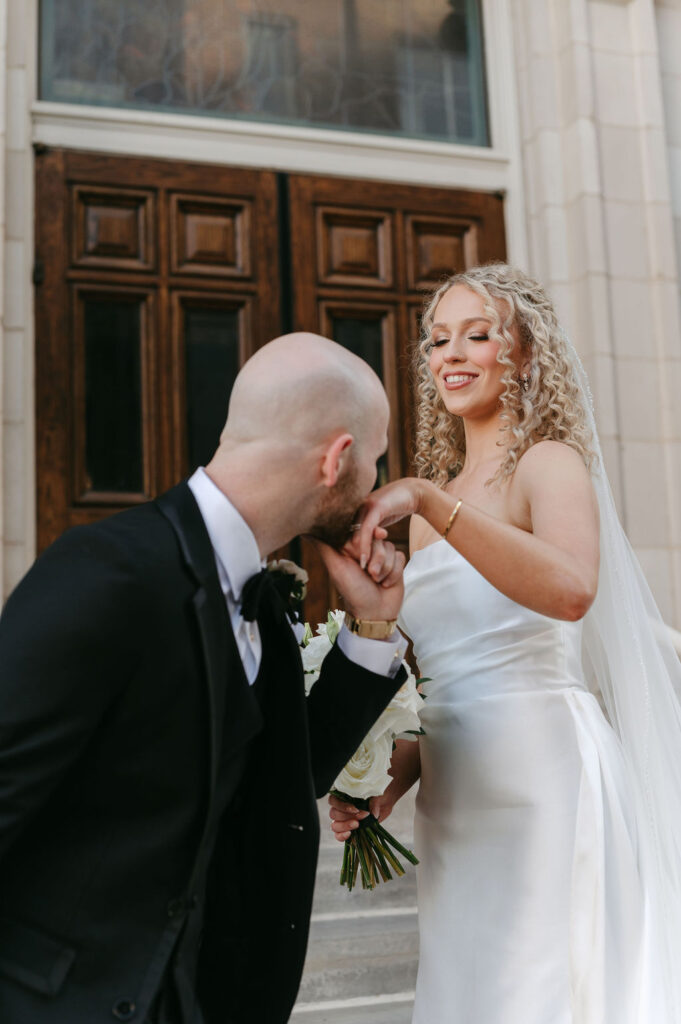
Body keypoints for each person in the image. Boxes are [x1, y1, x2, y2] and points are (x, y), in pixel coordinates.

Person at [0, 332, 410, 1024]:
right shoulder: (108, 571)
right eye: (374, 461)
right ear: (337, 459)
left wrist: (370, 628)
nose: (373, 484)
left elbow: (286, 774)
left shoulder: (261, 604)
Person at [329, 264, 681, 1022]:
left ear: (520, 353)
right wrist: (381, 783)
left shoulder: (546, 466)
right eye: (436, 339)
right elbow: (437, 685)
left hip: (541, 775)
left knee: (546, 988)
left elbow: (570, 589)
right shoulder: (430, 509)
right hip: (458, 798)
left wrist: (429, 498)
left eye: (477, 335)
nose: (450, 354)